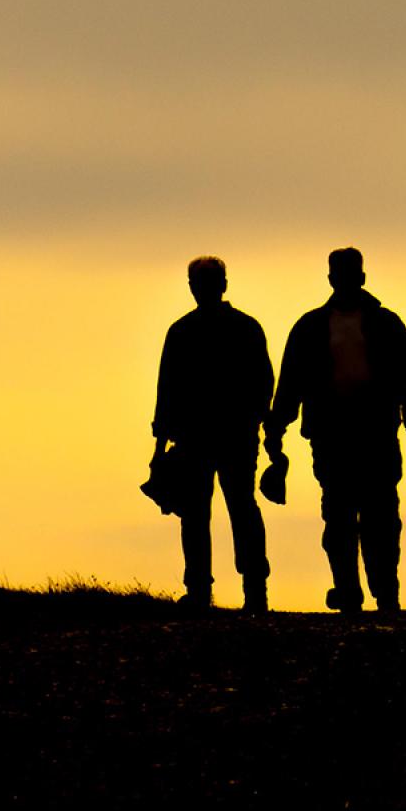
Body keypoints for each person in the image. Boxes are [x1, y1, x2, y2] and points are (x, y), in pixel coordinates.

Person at [263, 247, 406, 613]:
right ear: (335, 278)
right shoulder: (312, 327)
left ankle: (383, 591)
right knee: (343, 516)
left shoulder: (383, 323)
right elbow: (291, 383)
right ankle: (350, 591)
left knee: (379, 516)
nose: (343, 279)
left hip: (375, 432)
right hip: (333, 435)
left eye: (347, 273)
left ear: (358, 277)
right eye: (339, 273)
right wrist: (277, 427)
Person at [150, 256, 274, 612]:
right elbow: (263, 383)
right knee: (231, 510)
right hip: (220, 436)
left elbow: (167, 391)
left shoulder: (184, 331)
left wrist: (160, 445)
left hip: (210, 437)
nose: (200, 289)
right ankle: (246, 592)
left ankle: (211, 592)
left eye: (203, 283)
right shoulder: (243, 328)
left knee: (214, 512)